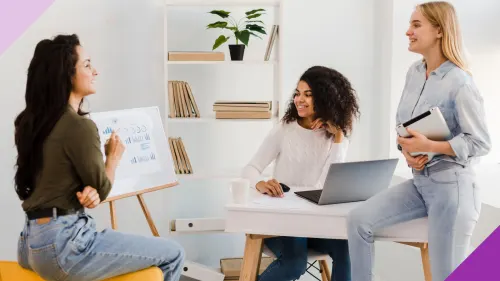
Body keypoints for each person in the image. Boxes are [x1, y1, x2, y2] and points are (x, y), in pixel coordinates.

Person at [15, 34, 185, 281]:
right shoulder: (78, 126)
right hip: (64, 245)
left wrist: (89, 191)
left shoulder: (29, 123)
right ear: (66, 75)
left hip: (30, 242)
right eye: (86, 65)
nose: (96, 71)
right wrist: (112, 158)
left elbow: (61, 181)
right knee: (174, 253)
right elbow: (103, 188)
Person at [347, 2, 491, 281]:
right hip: (420, 181)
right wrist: (407, 150)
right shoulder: (414, 72)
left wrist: (431, 147)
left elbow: (480, 143)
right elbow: (405, 127)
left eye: (416, 25)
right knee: (358, 220)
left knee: (445, 275)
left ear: (439, 30)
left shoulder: (460, 82)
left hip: (453, 190)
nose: (407, 32)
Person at [242, 65, 360, 281]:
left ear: (325, 98)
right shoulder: (285, 130)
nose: (299, 100)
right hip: (282, 223)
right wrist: (260, 183)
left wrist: (338, 140)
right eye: (297, 94)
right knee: (295, 264)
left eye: (308, 94)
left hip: (314, 223)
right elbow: (250, 169)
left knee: (349, 249)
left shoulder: (335, 137)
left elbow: (328, 185)